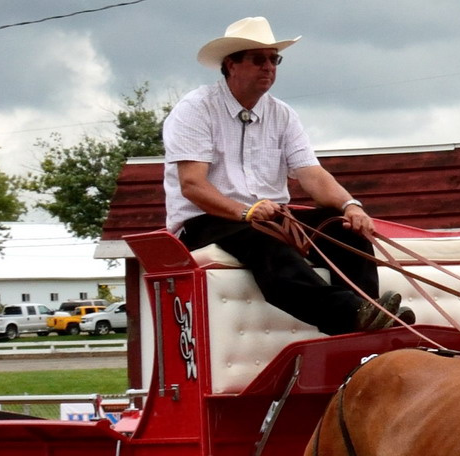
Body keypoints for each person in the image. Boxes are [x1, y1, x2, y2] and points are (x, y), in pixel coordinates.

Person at [163, 17, 401, 334]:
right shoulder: (195, 109)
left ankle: (368, 316)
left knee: (344, 231)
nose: (269, 67)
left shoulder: (283, 114)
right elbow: (192, 185)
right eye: (259, 59)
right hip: (207, 220)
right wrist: (245, 211)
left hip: (268, 217)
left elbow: (312, 174)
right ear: (231, 64)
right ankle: (351, 314)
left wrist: (350, 206)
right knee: (264, 240)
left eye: (274, 59)